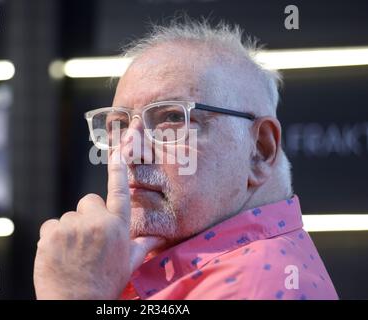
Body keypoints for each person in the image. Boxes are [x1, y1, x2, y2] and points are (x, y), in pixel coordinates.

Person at [33, 19, 338, 300]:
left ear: (260, 150)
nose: (128, 151)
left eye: (171, 118)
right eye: (120, 125)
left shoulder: (260, 287)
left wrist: (76, 292)